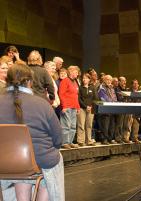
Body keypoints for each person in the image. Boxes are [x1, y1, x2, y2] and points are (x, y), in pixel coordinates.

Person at [0, 64, 64, 201]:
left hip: (4, 161)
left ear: (7, 80)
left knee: (20, 165)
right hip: (39, 160)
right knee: (52, 161)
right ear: (29, 82)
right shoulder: (42, 104)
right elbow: (58, 140)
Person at [59, 65, 80, 149]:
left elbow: (76, 96)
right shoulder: (65, 81)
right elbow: (61, 94)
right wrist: (64, 106)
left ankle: (70, 142)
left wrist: (78, 107)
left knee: (73, 126)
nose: (77, 74)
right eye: (76, 72)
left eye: (77, 72)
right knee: (66, 125)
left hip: (74, 107)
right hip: (67, 107)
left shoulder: (75, 82)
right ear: (71, 72)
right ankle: (64, 142)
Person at [77, 73, 97, 146]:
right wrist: (85, 106)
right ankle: (81, 141)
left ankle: (89, 141)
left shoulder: (92, 88)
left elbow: (95, 98)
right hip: (82, 108)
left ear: (89, 79)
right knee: (81, 125)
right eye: (83, 78)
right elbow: (79, 99)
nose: (84, 79)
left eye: (86, 78)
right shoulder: (80, 87)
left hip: (91, 109)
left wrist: (91, 106)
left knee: (89, 125)